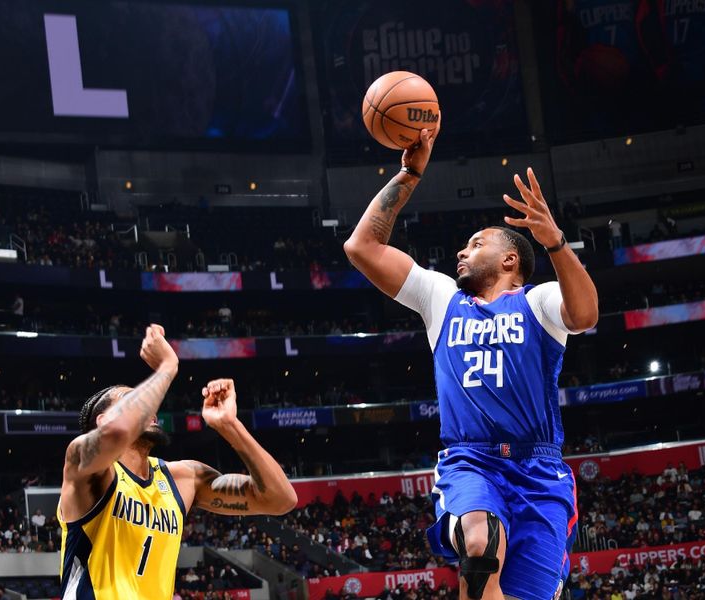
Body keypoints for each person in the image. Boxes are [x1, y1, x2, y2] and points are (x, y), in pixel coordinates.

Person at [344, 129, 598, 600]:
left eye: (475, 243)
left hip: (538, 469)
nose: (462, 251)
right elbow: (361, 248)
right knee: (479, 545)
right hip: (471, 458)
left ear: (509, 258)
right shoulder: (441, 298)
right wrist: (408, 175)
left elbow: (585, 315)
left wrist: (556, 242)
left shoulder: (537, 302)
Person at [58, 324, 297, 599]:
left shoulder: (182, 478)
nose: (151, 407)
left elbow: (281, 499)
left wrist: (230, 426)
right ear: (102, 421)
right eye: (133, 399)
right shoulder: (83, 467)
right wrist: (167, 367)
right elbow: (118, 431)